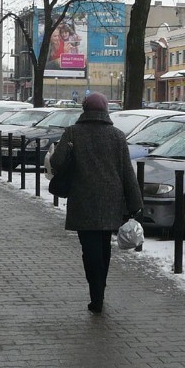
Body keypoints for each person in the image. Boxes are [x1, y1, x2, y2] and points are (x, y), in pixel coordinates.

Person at [50, 92, 142, 314]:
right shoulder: (117, 136)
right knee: (103, 248)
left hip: (82, 199)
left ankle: (96, 293)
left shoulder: (73, 133)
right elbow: (127, 172)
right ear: (105, 111)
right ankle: (100, 288)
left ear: (84, 109)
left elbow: (56, 162)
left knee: (89, 248)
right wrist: (134, 203)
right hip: (111, 200)